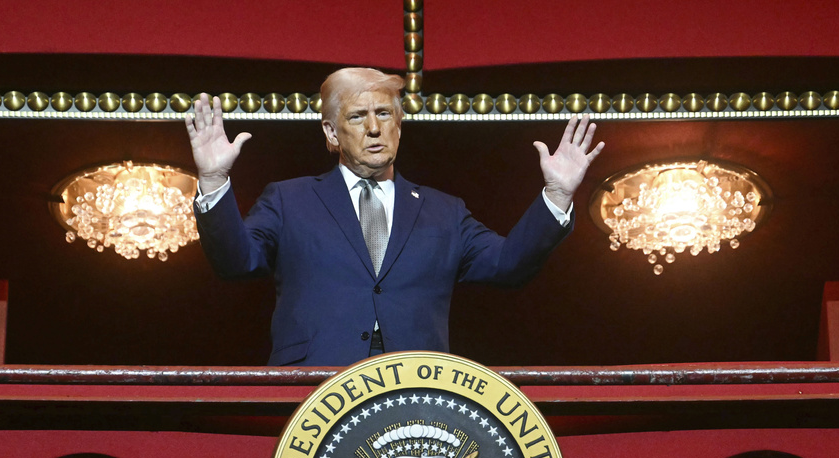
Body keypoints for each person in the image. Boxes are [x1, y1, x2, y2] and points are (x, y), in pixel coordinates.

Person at [186, 67, 603, 366]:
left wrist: (557, 194)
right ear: (331, 132)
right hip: (316, 386)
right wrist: (214, 179)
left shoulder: (444, 211)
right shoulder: (288, 199)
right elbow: (236, 262)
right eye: (357, 116)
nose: (374, 128)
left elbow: (508, 265)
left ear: (399, 126)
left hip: (416, 388)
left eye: (384, 114)